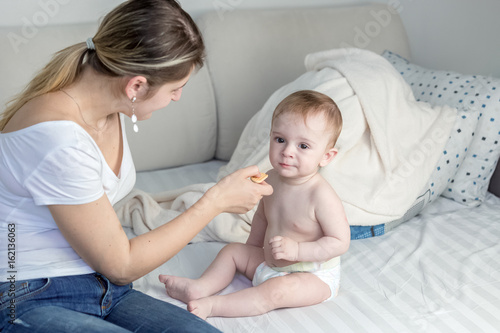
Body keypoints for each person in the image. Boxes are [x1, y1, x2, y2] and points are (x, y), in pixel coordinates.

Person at [0, 1, 272, 332]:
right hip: (28, 293)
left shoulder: (105, 104)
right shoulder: (58, 140)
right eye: (175, 88)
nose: (177, 98)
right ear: (137, 86)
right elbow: (122, 264)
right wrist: (215, 202)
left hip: (103, 289)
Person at [160, 90, 351, 319]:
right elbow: (263, 216)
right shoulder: (270, 178)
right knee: (232, 251)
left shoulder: (321, 196)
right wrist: (251, 249)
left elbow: (339, 242)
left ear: (326, 156)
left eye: (303, 146)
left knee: (276, 291)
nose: (287, 152)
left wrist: (299, 250)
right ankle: (199, 287)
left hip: (312, 275)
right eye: (280, 140)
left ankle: (213, 306)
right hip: (270, 264)